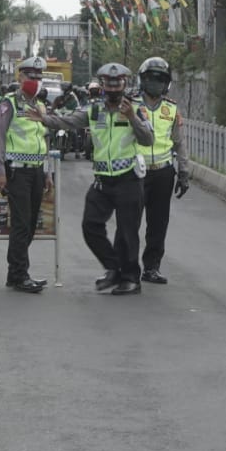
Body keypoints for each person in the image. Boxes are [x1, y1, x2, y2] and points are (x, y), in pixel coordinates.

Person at [29, 62, 153, 295]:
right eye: (109, 83)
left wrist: (132, 118)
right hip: (103, 180)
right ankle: (113, 268)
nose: (114, 88)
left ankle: (131, 279)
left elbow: (148, 140)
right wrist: (44, 119)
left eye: (118, 84)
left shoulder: (136, 109)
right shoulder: (94, 110)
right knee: (90, 226)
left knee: (128, 232)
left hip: (129, 179)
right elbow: (68, 121)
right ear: (102, 85)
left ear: (125, 84)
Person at [0, 56, 52, 294]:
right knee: (21, 224)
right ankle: (19, 274)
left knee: (30, 225)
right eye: (30, 76)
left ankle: (14, 274)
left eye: (38, 77)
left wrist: (46, 172)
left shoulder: (40, 106)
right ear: (20, 77)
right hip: (16, 172)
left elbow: (42, 140)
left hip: (36, 172)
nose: (35, 81)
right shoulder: (9, 104)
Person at [134, 57, 191, 285]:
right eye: (151, 79)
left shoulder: (171, 108)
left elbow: (179, 143)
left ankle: (151, 268)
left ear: (166, 83)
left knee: (158, 223)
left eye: (160, 80)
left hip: (163, 173)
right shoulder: (132, 106)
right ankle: (127, 268)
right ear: (142, 80)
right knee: (130, 222)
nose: (155, 84)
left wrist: (184, 172)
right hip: (135, 173)